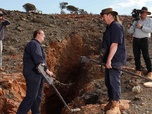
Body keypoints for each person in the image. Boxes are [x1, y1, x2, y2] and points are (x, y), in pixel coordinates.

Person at [16, 29, 54, 114]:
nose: (44, 36)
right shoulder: (33, 44)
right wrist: (47, 71)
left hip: (38, 74)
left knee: (38, 97)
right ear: (38, 34)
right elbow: (38, 59)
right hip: (33, 73)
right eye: (43, 34)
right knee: (31, 96)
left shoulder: (37, 45)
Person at [100, 8, 126, 114]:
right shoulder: (109, 27)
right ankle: (112, 101)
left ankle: (116, 104)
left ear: (110, 15)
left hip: (115, 59)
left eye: (104, 17)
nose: (102, 19)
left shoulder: (116, 26)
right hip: (110, 59)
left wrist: (109, 60)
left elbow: (114, 44)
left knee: (114, 81)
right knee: (108, 81)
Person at [128, 6, 152, 78]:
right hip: (135, 40)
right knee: (136, 56)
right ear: (140, 13)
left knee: (146, 56)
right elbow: (130, 32)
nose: (143, 14)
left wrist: (141, 27)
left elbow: (150, 30)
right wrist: (130, 27)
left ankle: (150, 71)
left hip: (144, 40)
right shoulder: (136, 20)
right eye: (142, 12)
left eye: (145, 13)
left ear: (147, 13)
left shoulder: (149, 21)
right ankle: (138, 70)